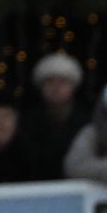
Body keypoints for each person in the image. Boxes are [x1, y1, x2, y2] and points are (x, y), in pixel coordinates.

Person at [27, 51, 90, 181]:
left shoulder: (86, 122)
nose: (55, 87)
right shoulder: (28, 122)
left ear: (73, 86)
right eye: (49, 82)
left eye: (62, 82)